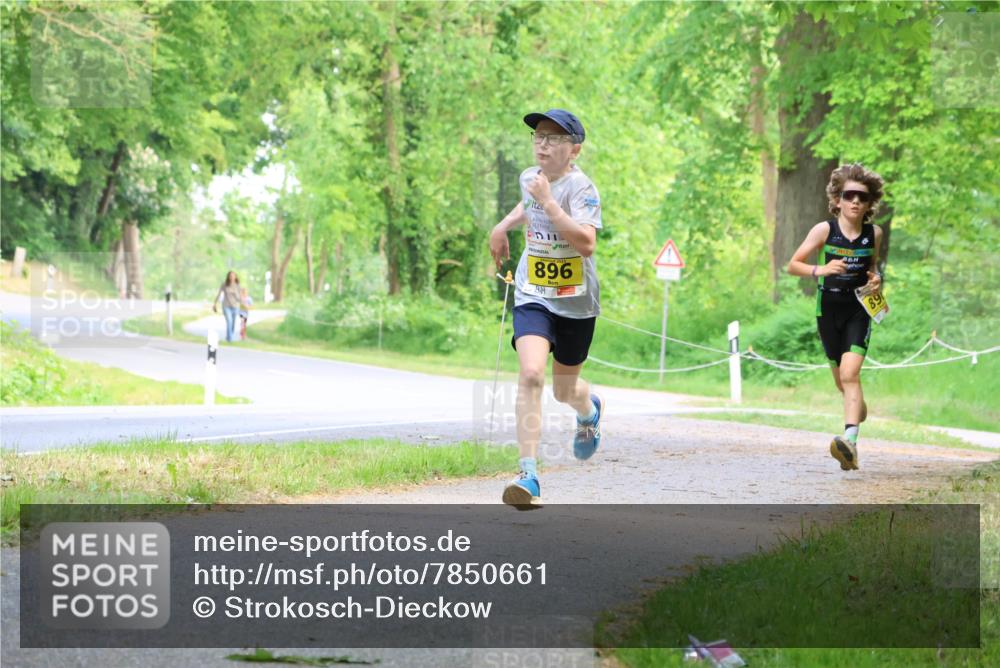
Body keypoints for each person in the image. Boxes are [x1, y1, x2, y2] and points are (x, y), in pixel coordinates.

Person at [489, 109, 604, 508]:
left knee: (564, 389)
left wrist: (551, 203)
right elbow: (527, 205)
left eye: (554, 138)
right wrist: (502, 226)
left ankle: (588, 413)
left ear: (574, 149)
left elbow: (586, 244)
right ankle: (529, 475)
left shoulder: (582, 188)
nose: (542, 143)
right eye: (538, 136)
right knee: (531, 374)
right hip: (533, 292)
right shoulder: (529, 178)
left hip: (575, 303)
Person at [787, 163, 886, 471]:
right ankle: (856, 410)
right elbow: (794, 264)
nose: (855, 201)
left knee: (850, 374)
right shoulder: (824, 230)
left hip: (859, 310)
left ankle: (850, 443)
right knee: (842, 382)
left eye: (862, 197)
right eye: (849, 195)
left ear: (870, 204)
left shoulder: (875, 233)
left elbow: (873, 268)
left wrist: (876, 281)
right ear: (838, 200)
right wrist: (822, 269)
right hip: (827, 310)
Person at [213, 270, 242, 343]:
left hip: (235, 306)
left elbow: (240, 298)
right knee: (229, 321)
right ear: (228, 277)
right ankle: (230, 339)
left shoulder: (238, 286)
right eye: (230, 276)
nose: (232, 277)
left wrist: (235, 293)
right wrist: (215, 304)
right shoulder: (224, 285)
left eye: (233, 276)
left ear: (235, 277)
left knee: (233, 323)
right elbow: (219, 294)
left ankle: (229, 335)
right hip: (226, 306)